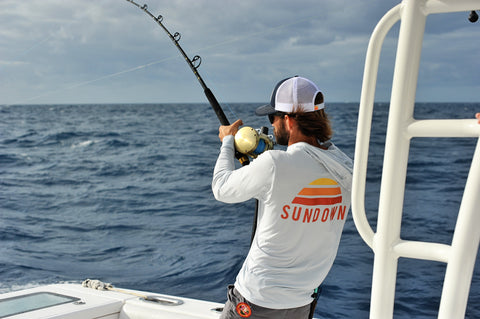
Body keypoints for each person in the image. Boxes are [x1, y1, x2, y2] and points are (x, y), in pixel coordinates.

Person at [212, 76, 353, 319]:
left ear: (288, 120)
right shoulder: (346, 167)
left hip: (256, 302)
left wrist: (227, 142)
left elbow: (221, 188)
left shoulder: (275, 165)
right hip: (302, 303)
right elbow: (303, 166)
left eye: (272, 117)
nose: (272, 124)